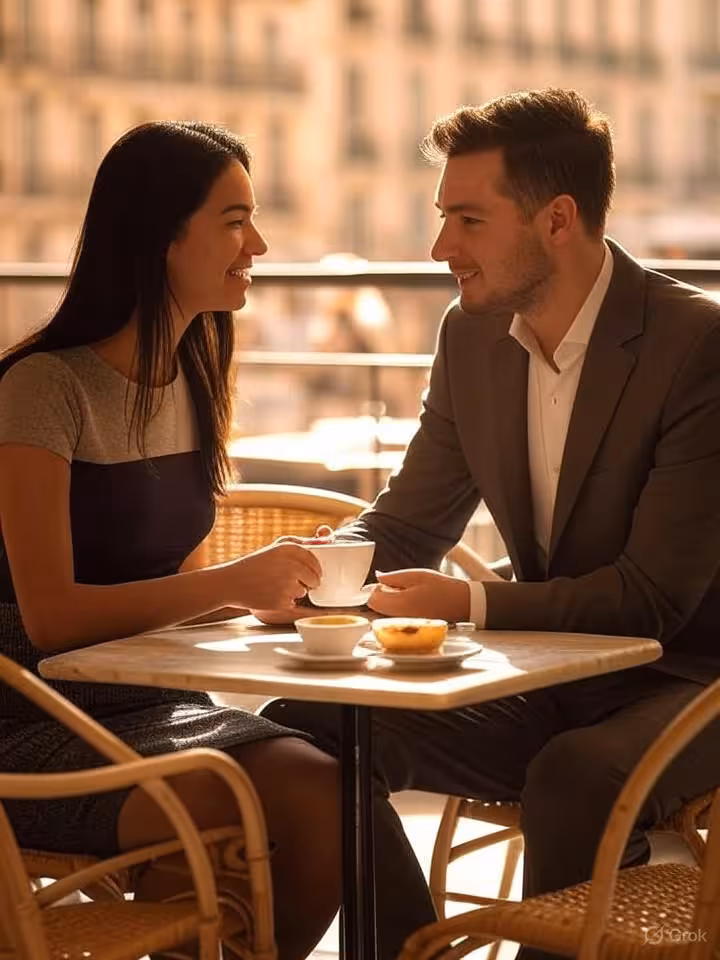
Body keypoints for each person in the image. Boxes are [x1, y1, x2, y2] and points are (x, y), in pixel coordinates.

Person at [258, 89, 720, 960]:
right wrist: (304, 574)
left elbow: (653, 599)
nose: (441, 249)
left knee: (573, 777)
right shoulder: (470, 339)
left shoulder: (695, 346)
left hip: (690, 681)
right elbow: (407, 520)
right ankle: (406, 950)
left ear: (557, 220)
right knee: (303, 730)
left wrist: (470, 606)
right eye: (443, 219)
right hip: (550, 674)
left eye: (468, 220)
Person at [0, 121, 341, 960]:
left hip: (149, 705)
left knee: (324, 790)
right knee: (225, 806)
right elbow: (50, 619)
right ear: (161, 236)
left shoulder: (195, 377)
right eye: (234, 220)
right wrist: (232, 584)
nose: (257, 243)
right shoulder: (43, 388)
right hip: (30, 716)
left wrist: (269, 603)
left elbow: (169, 594)